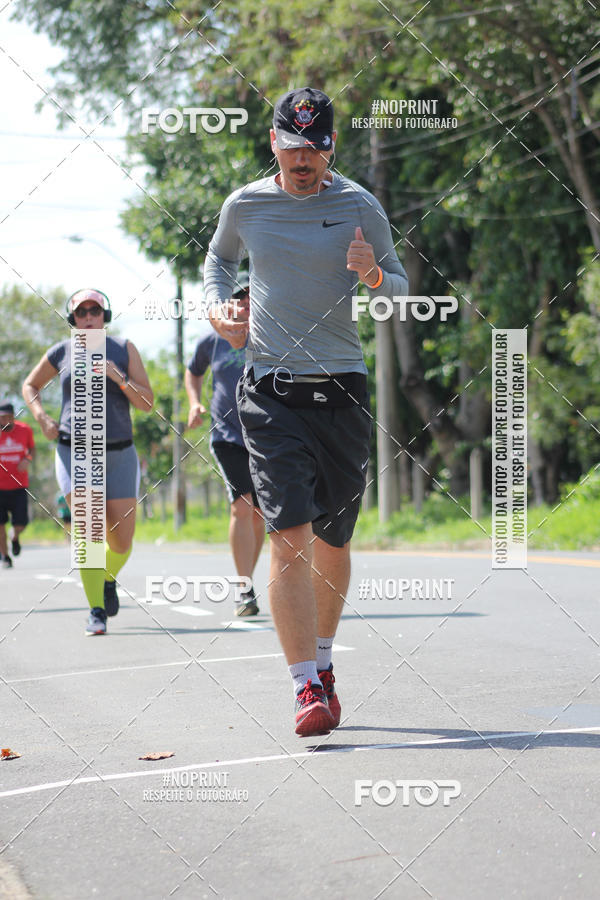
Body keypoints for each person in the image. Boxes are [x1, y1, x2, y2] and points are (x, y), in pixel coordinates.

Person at [204, 87, 408, 736]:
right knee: (288, 537)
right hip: (269, 392)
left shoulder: (358, 205)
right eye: (291, 147)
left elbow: (400, 286)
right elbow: (217, 261)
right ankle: (303, 689)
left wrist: (374, 275)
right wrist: (220, 310)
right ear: (273, 143)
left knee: (334, 540)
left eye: (314, 148)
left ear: (331, 149)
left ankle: (323, 664)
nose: (302, 159)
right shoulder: (246, 205)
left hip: (342, 390)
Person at [23, 289, 154, 634]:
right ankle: (95, 609)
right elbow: (30, 385)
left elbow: (147, 404)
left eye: (95, 310)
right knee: (91, 532)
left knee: (122, 542)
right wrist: (41, 417)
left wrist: (119, 379)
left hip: (120, 453)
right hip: (74, 450)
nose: (89, 317)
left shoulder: (124, 349)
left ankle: (107, 578)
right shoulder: (61, 352)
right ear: (73, 320)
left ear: (104, 315)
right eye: (81, 312)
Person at [185, 275, 265, 617]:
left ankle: (248, 581)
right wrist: (194, 402)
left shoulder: (270, 335)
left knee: (261, 513)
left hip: (265, 434)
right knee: (241, 507)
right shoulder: (212, 341)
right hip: (227, 435)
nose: (245, 301)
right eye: (239, 296)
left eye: (251, 295)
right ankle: (244, 588)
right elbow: (193, 372)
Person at [0, 401, 35, 569]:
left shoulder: (25, 430)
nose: (5, 420)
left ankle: (15, 537)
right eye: (2, 417)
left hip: (19, 485)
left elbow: (32, 449)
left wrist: (27, 460)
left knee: (21, 523)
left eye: (8, 417)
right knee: (0, 525)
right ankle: (5, 557)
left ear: (13, 417)